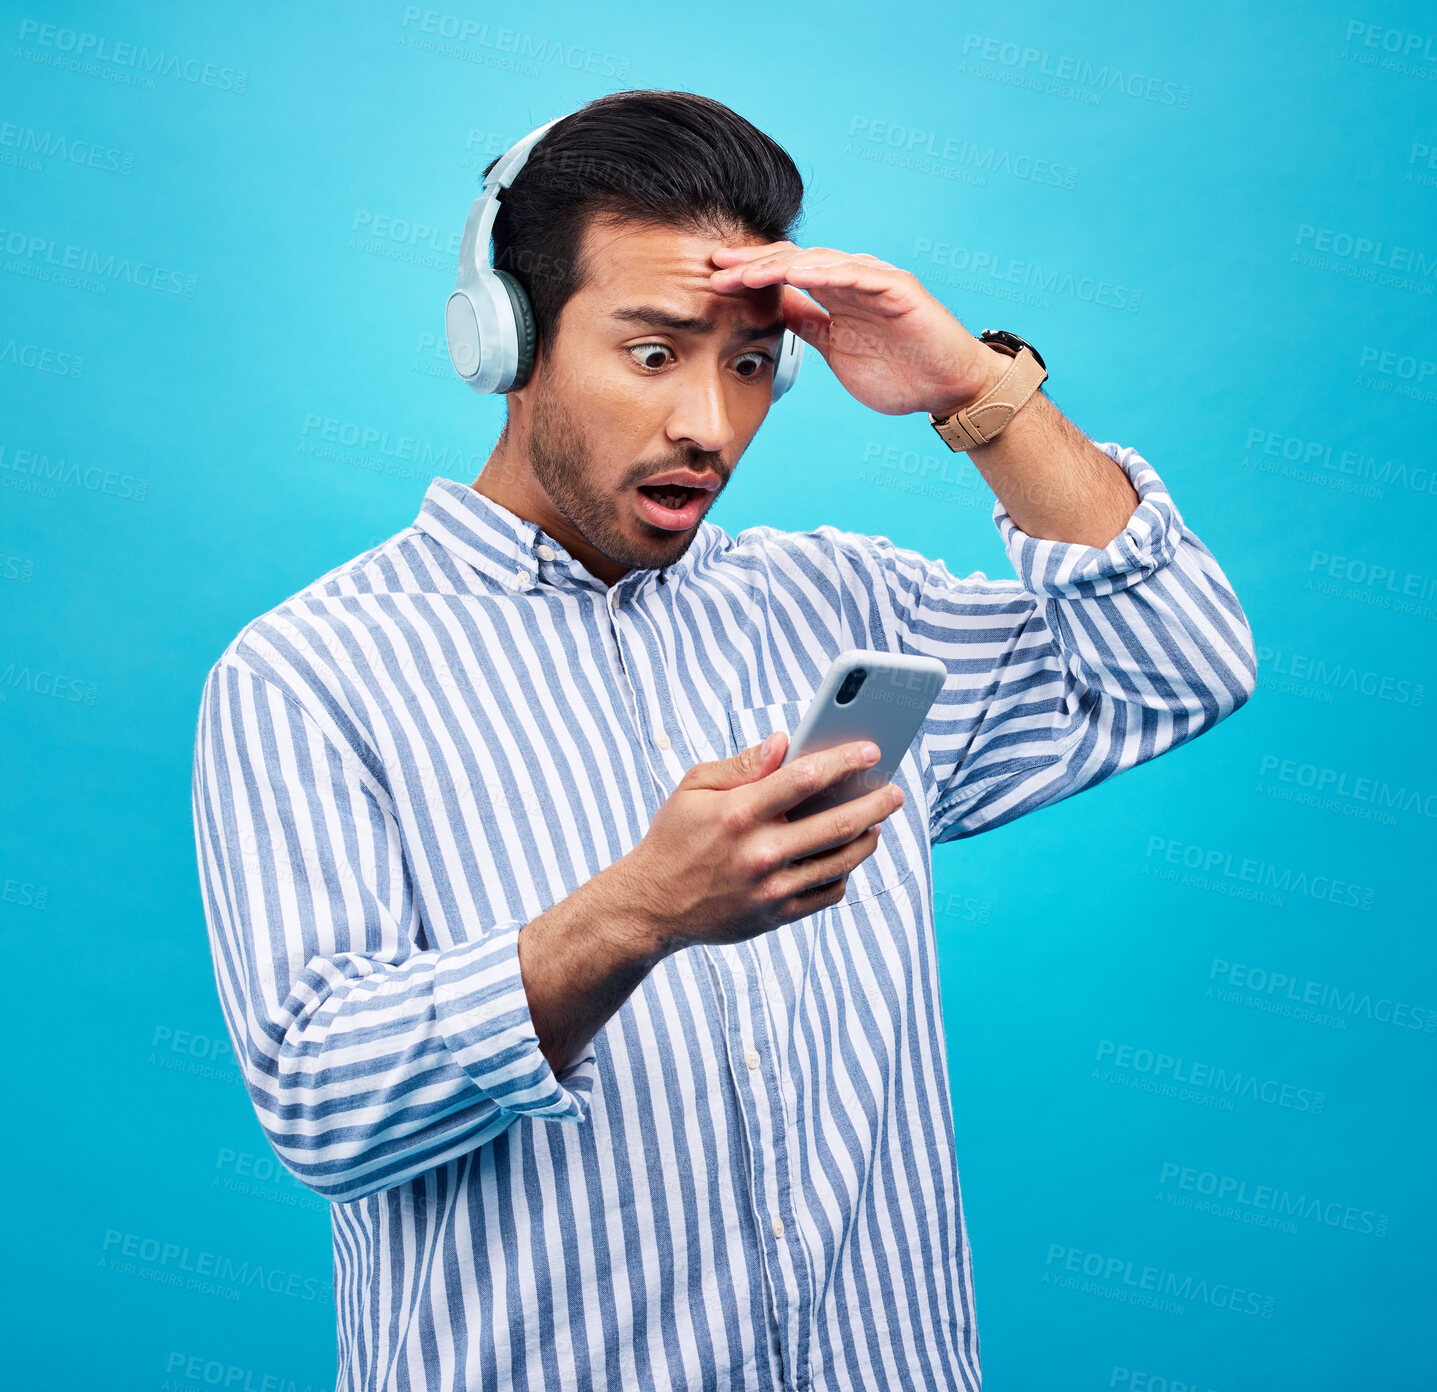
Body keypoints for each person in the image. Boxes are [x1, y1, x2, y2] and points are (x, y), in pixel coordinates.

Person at [191, 88, 1255, 1392]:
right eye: (652, 353)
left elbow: (1179, 671)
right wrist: (638, 914)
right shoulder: (309, 675)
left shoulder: (844, 607)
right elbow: (328, 1110)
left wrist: (976, 393)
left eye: (748, 365)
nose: (708, 422)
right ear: (504, 340)